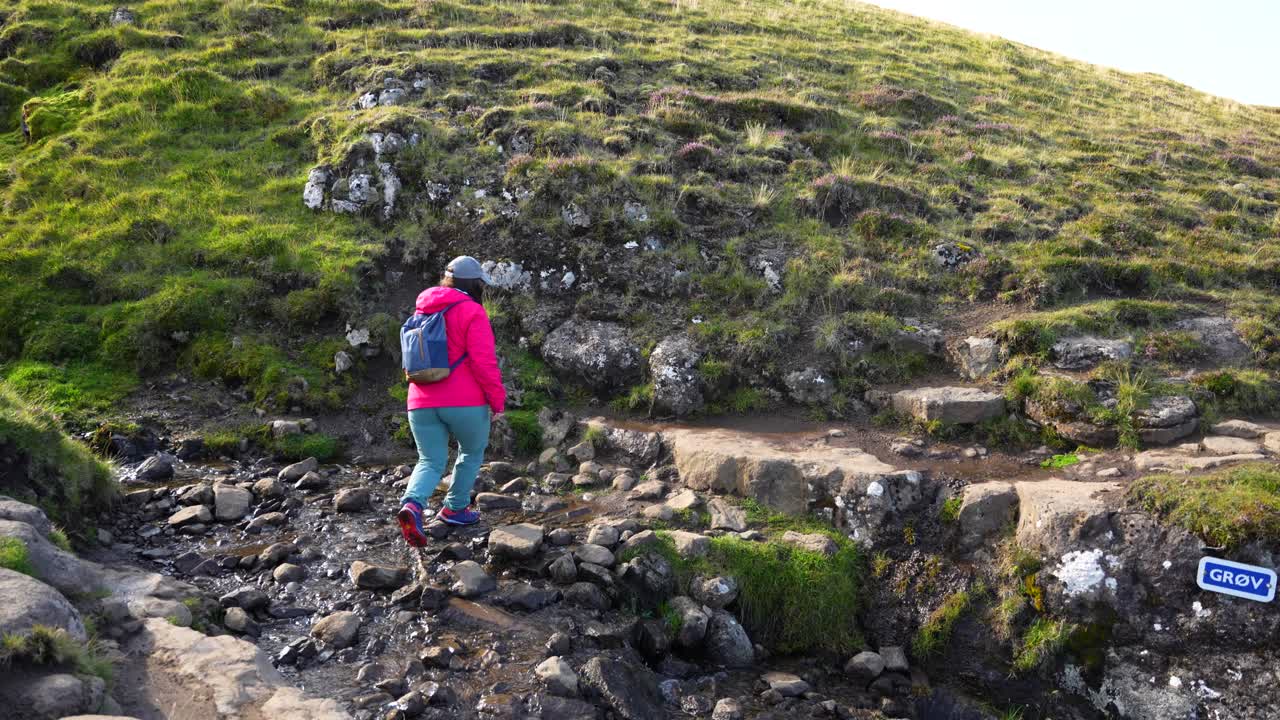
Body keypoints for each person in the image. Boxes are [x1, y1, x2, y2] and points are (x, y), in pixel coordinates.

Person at [397, 256, 506, 547]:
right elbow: (484, 363)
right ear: (474, 283)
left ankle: (412, 505)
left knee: (430, 460)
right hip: (465, 401)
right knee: (471, 451)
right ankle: (455, 508)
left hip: (419, 399)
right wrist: (497, 401)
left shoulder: (421, 309)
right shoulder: (472, 312)